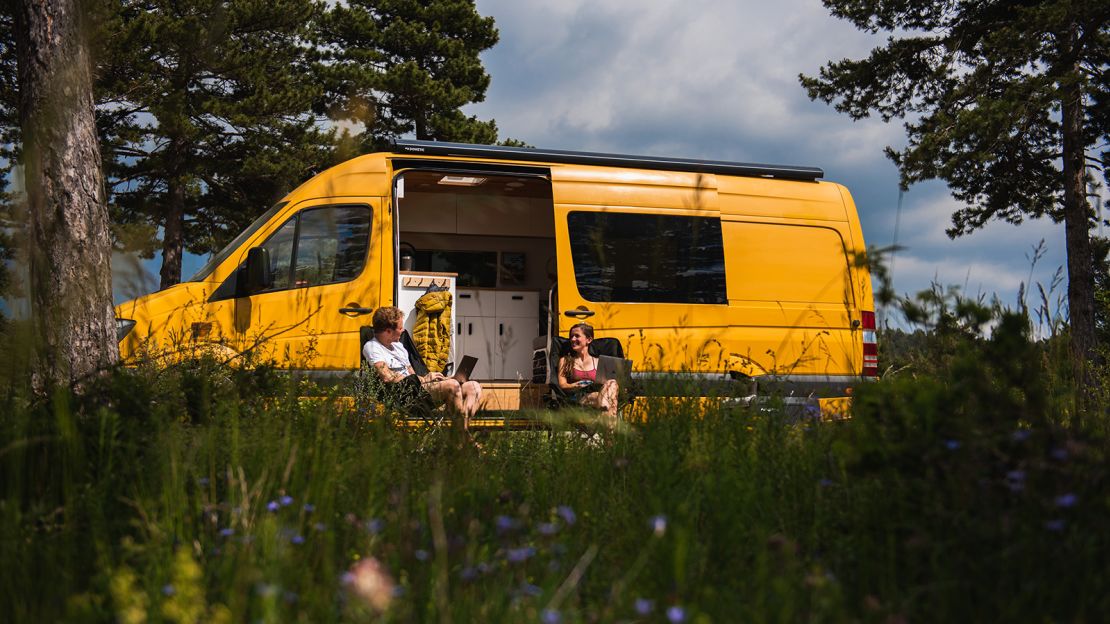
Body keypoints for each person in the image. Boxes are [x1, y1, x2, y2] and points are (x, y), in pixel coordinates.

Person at [363, 306, 482, 432]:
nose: (403, 331)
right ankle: (463, 438)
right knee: (453, 386)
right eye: (400, 328)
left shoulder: (398, 347)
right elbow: (387, 376)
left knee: (473, 387)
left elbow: (412, 374)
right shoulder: (372, 347)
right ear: (388, 331)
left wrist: (431, 378)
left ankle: (460, 430)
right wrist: (419, 380)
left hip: (418, 388)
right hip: (404, 395)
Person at [556, 322, 619, 421]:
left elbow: (607, 386)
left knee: (612, 383)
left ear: (588, 340)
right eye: (571, 336)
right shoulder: (566, 361)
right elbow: (562, 384)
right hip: (579, 397)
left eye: (577, 336)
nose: (572, 339)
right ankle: (609, 432)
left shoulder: (599, 361)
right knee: (610, 401)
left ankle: (605, 423)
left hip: (600, 395)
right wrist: (575, 385)